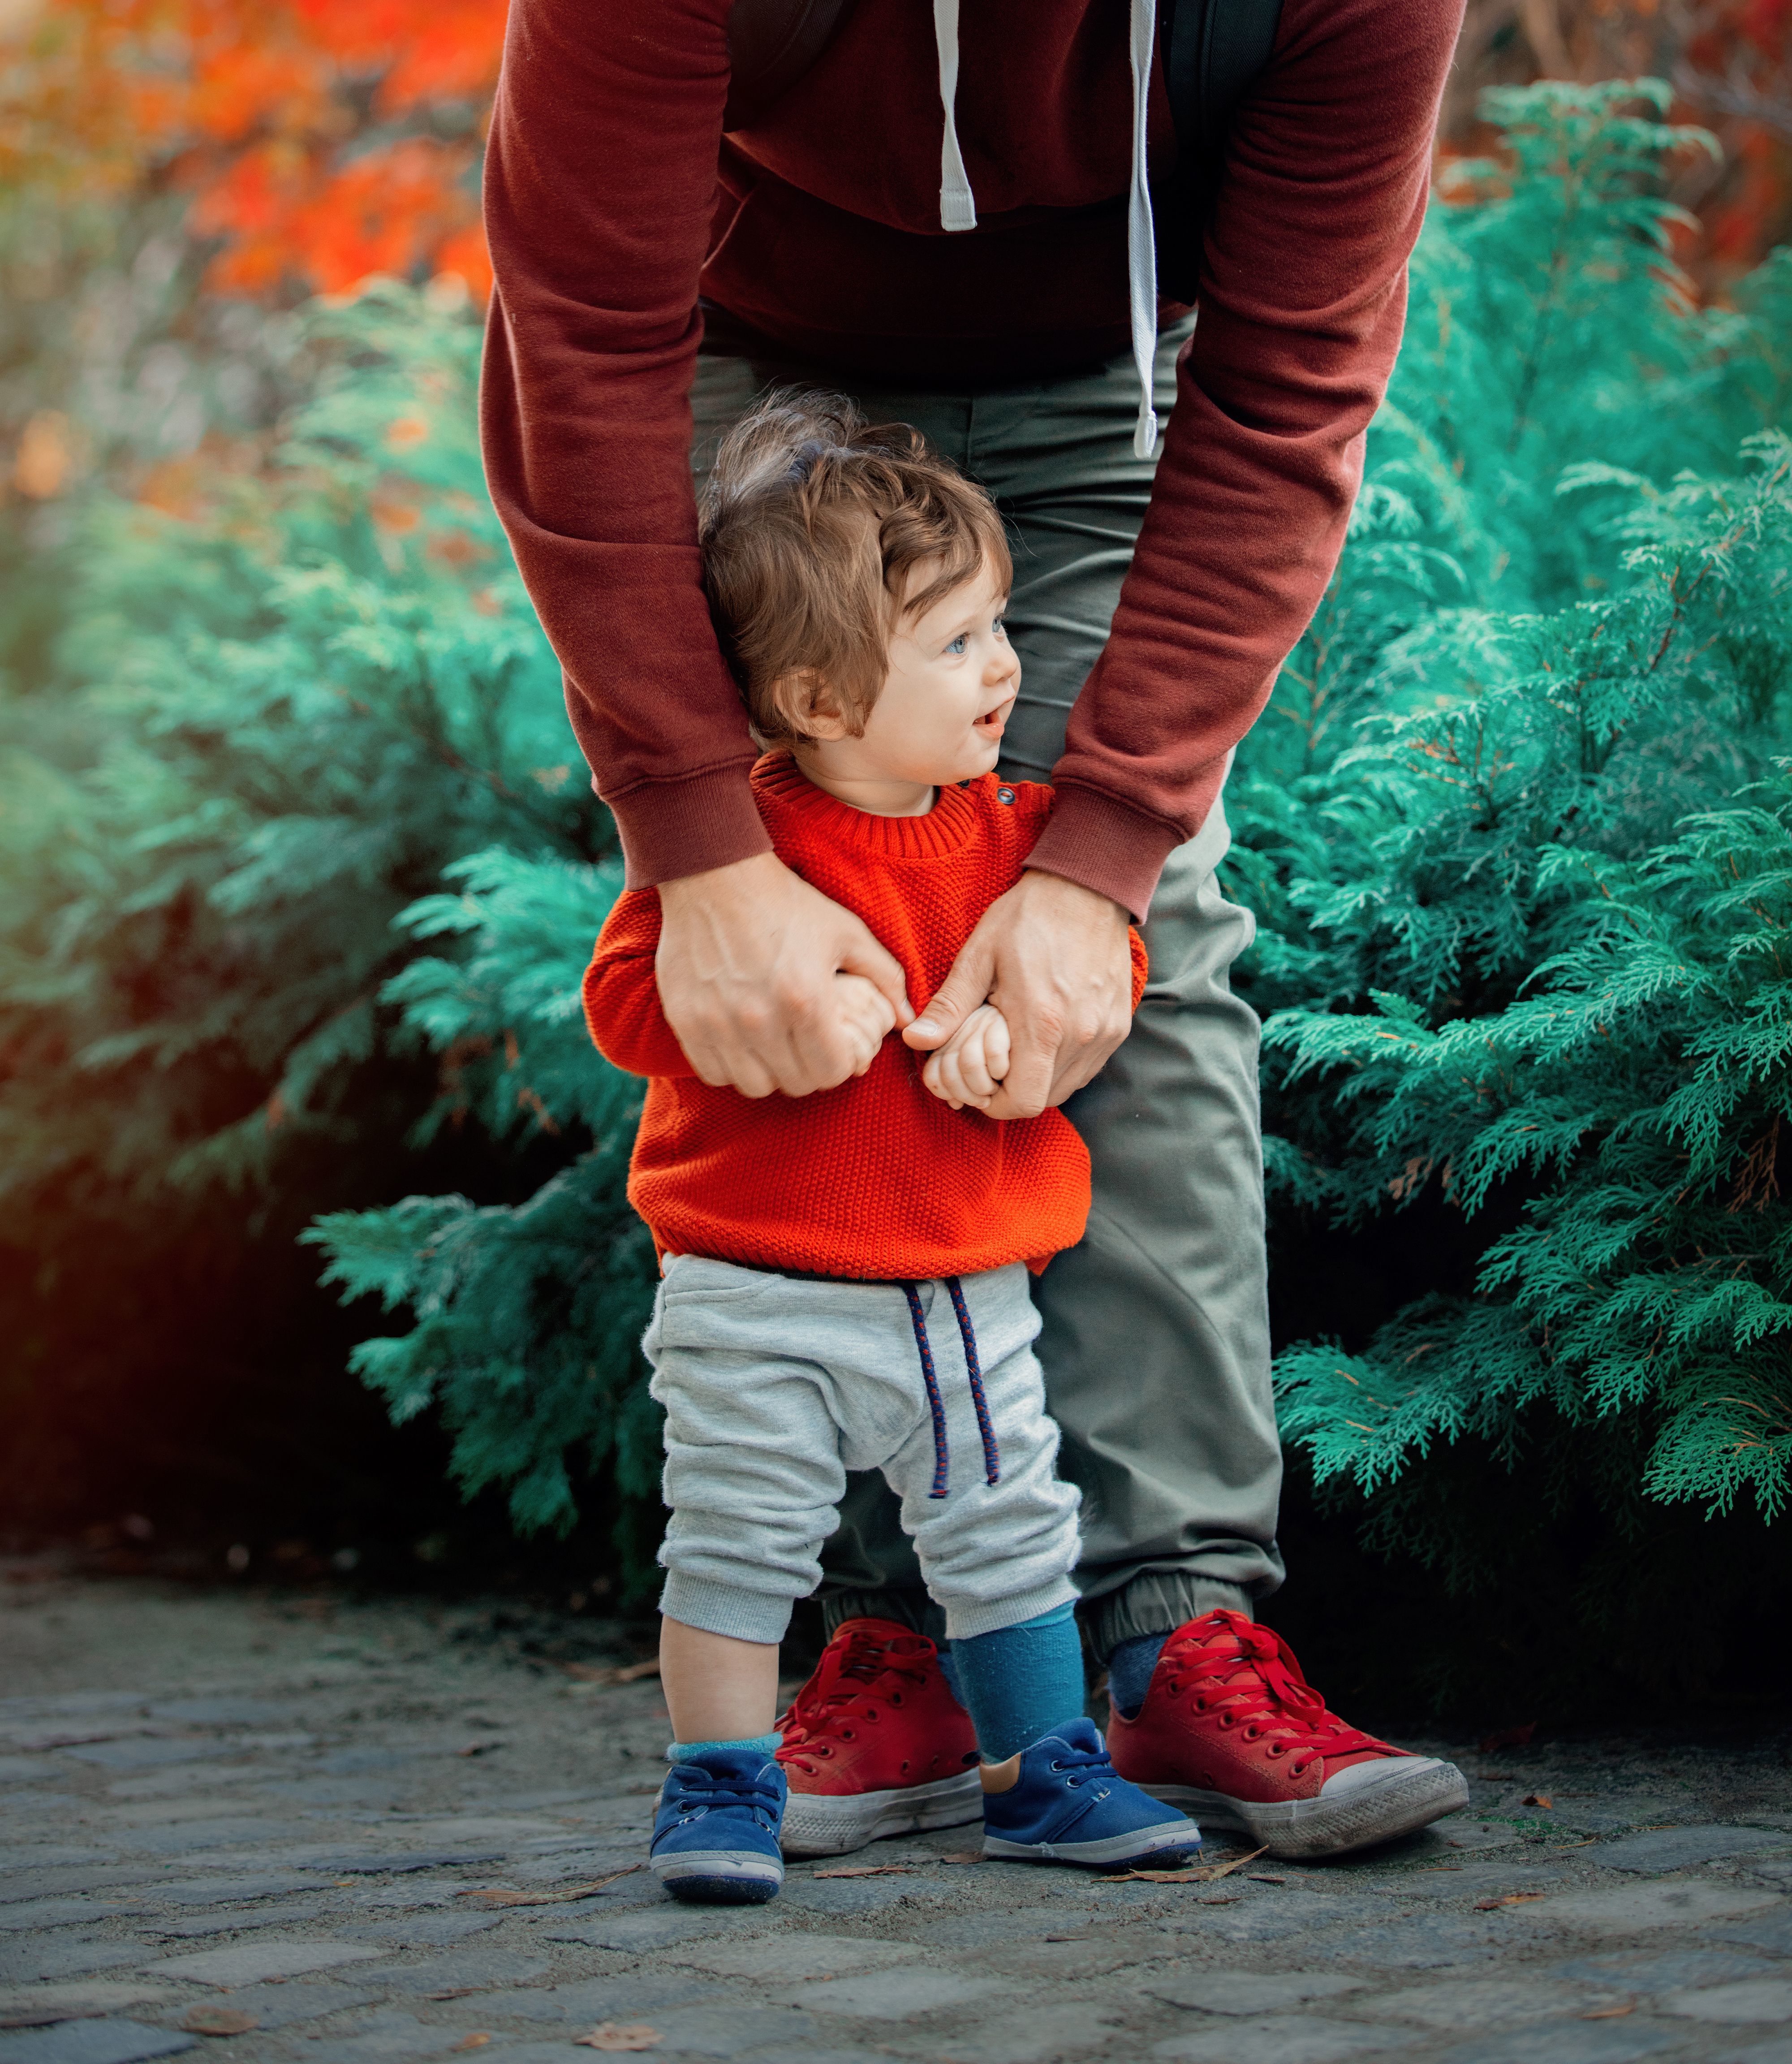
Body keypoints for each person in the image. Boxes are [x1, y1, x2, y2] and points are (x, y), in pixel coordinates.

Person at [482, 0, 1472, 1861]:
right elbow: (583, 333)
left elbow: (1284, 390)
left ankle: (1182, 1627)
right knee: (803, 919)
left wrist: (1093, 860)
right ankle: (905, 1641)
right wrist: (697, 845)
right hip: (738, 355)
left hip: (1107, 377)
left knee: (1138, 939)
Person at [585, 394, 1203, 1903]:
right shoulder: (737, 857)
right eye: (955, 644)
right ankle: (718, 1786)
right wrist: (768, 1020)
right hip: (752, 1282)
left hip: (961, 1287)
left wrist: (1010, 1052)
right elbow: (622, 994)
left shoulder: (1023, 839)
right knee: (734, 1544)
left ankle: (1040, 1770)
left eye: (999, 627)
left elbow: (1101, 976)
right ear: (814, 694)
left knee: (1009, 1529)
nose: (1007, 667)